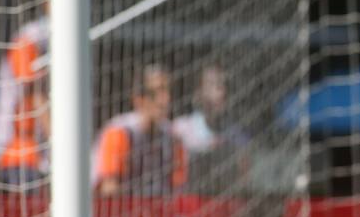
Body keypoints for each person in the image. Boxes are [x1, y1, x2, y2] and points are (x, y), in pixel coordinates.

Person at [92, 64, 186, 196]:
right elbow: (109, 190)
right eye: (157, 92)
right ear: (138, 99)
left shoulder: (174, 137)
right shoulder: (119, 133)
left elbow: (179, 190)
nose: (166, 99)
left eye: (168, 91)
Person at [0, 9, 50, 186]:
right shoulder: (27, 41)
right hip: (18, 152)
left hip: (39, 153)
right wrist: (61, 142)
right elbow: (35, 94)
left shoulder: (57, 41)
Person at [172, 64, 248, 193]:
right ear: (198, 92)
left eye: (222, 86)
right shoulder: (180, 128)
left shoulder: (236, 135)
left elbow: (243, 179)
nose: (220, 93)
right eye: (212, 85)